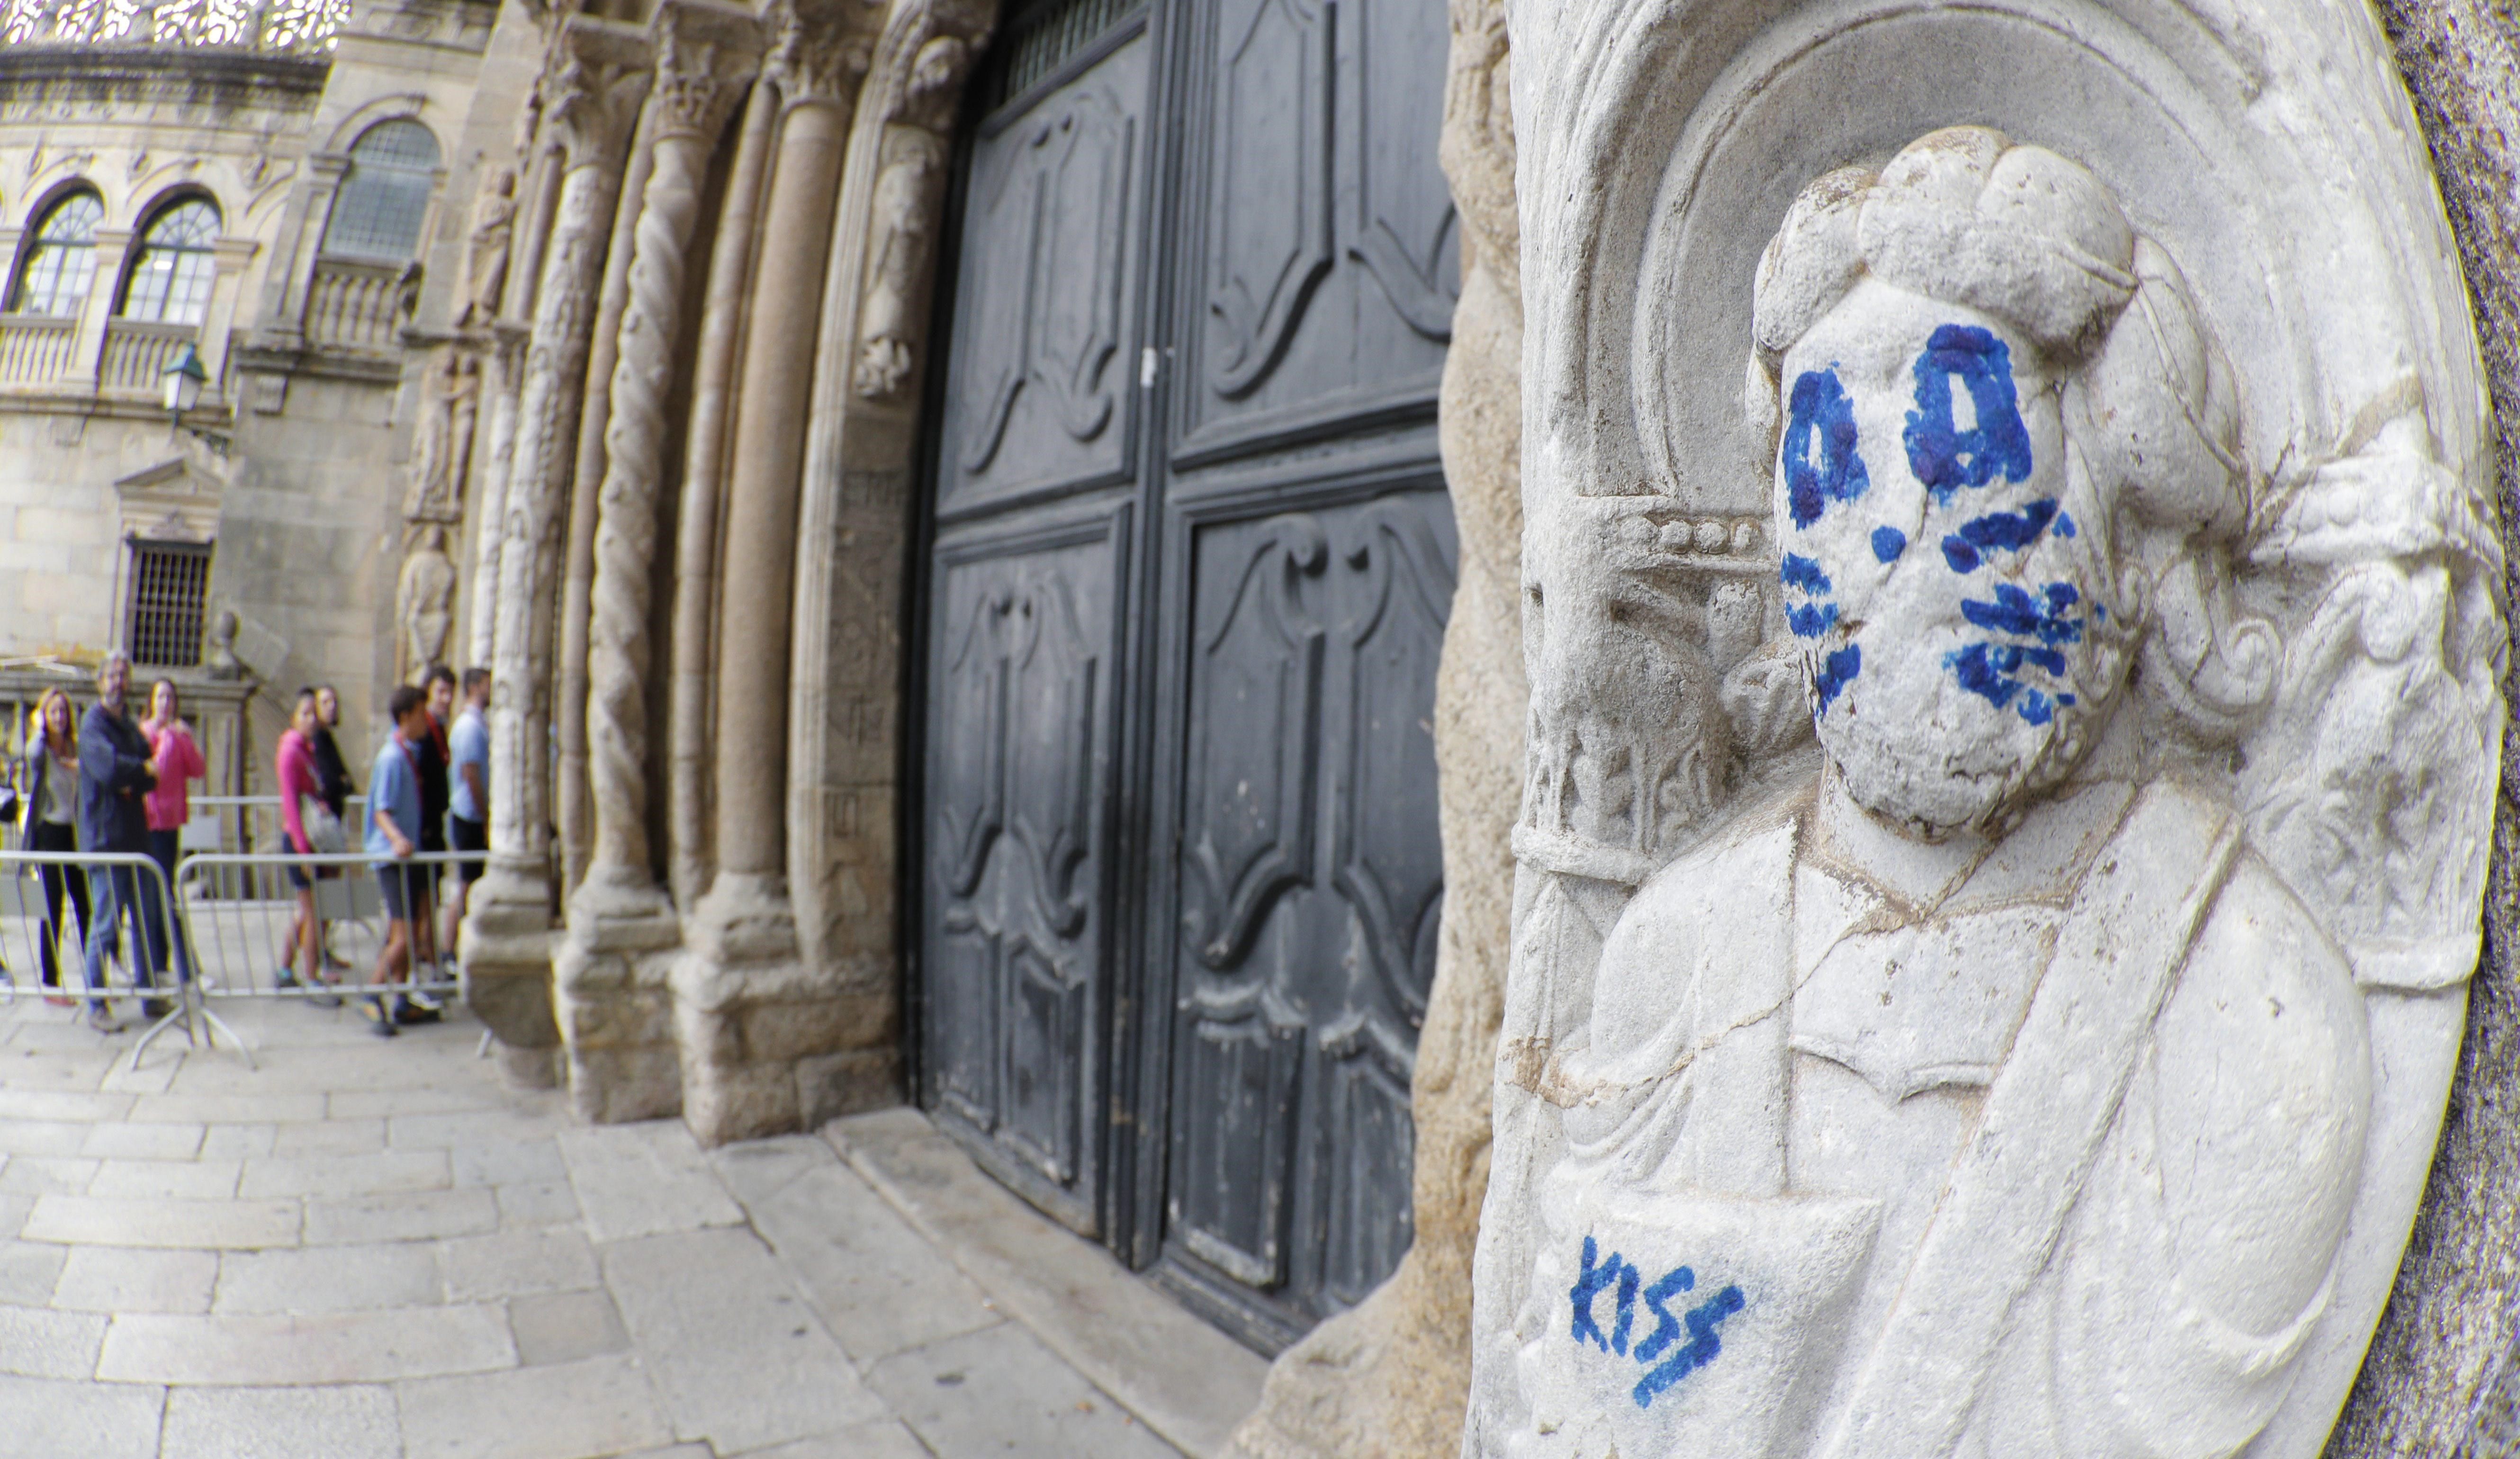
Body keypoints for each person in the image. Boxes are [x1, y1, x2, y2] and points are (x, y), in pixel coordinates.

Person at [78, 653, 169, 1033]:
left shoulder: (130, 725)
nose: (118, 681)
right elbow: (110, 769)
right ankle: (97, 1004)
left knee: (145, 919)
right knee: (106, 924)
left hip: (135, 836)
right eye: (111, 675)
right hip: (106, 839)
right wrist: (136, 773)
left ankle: (150, 995)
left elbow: (153, 774)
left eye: (123, 675)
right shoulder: (92, 725)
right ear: (100, 682)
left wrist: (138, 775)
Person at [361, 685, 432, 1037]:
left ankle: (401, 999)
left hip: (405, 857)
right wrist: (397, 839)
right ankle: (372, 993)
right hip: (391, 858)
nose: (427, 720)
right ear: (406, 717)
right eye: (422, 713)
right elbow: (381, 811)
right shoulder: (391, 757)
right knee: (402, 936)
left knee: (410, 931)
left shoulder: (406, 753)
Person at [19, 689, 89, 1007]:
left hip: (72, 832)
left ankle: (95, 975)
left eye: (63, 711)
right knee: (53, 908)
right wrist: (37, 725)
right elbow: (30, 752)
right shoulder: (43, 749)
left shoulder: (72, 746)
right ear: (45, 716)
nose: (59, 717)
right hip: (49, 832)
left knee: (85, 906)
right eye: (53, 712)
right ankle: (50, 983)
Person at [274, 690, 341, 1007]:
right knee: (313, 911)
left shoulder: (307, 749)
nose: (312, 719)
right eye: (306, 713)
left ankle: (285, 969)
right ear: (294, 717)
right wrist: (303, 851)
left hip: (309, 839)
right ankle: (312, 977)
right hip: (301, 841)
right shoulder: (290, 752)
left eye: (314, 713)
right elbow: (290, 804)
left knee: (306, 911)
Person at [139, 679, 205, 985]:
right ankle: (183, 965)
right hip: (151, 822)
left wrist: (186, 741)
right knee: (162, 894)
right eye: (161, 696)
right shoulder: (147, 733)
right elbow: (158, 769)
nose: (166, 703)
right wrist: (168, 738)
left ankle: (163, 960)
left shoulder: (178, 735)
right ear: (152, 701)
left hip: (172, 823)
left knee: (163, 891)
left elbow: (197, 769)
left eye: (170, 697)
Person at [408, 666, 455, 1015]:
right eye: (440, 692)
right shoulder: (418, 739)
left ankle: (427, 966)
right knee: (418, 910)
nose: (447, 699)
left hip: (430, 830)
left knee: (429, 902)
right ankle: (415, 976)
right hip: (422, 834)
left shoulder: (435, 731)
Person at [444, 667, 490, 955]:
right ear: (474, 688)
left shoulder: (472, 724)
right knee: (466, 886)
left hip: (468, 813)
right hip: (469, 815)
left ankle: (453, 946)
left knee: (468, 884)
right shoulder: (470, 727)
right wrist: (486, 815)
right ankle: (450, 948)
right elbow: (471, 773)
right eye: (487, 684)